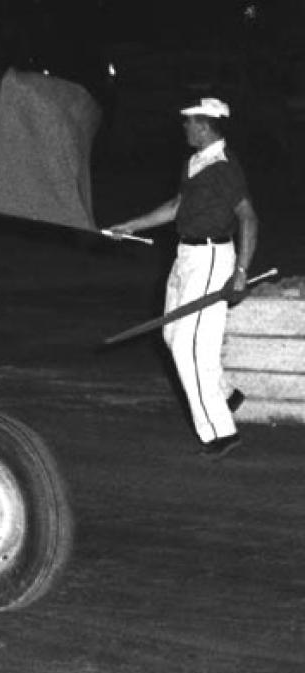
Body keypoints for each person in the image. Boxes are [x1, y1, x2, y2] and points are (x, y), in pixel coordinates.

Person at [106, 97, 258, 460]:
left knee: (190, 348)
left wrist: (241, 272)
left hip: (211, 258)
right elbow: (177, 206)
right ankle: (225, 394)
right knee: (173, 333)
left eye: (189, 122)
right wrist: (131, 226)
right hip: (186, 256)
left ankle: (220, 433)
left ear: (204, 126)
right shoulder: (195, 162)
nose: (184, 127)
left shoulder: (223, 167)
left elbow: (249, 217)